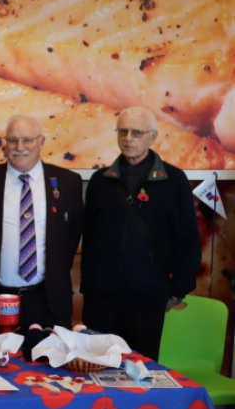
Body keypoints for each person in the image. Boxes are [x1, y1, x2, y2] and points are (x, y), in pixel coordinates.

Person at [81, 107, 201, 361]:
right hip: (100, 300)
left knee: (140, 372)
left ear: (153, 136)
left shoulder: (174, 181)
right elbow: (89, 236)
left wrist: (177, 291)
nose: (128, 138)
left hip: (148, 300)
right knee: (96, 369)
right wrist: (89, 285)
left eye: (137, 133)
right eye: (123, 131)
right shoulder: (100, 180)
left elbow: (188, 240)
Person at [0, 115, 83, 334]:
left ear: (42, 141)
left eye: (28, 140)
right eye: (13, 140)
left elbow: (72, 236)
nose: (19, 147)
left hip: (49, 301)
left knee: (49, 356)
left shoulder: (68, 182)